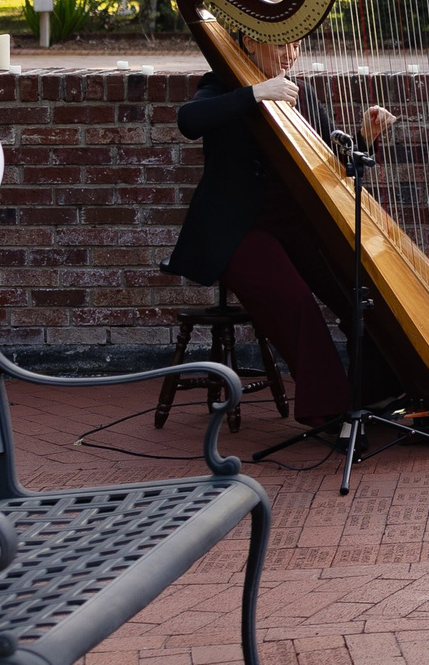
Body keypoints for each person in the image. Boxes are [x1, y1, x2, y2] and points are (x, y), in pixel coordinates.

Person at [164, 31, 395, 425]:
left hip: (296, 224)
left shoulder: (300, 95)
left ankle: (377, 392)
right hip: (239, 231)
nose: (291, 54)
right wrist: (255, 93)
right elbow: (189, 120)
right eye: (281, 43)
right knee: (298, 303)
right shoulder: (222, 84)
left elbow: (336, 169)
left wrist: (363, 139)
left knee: (359, 289)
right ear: (251, 43)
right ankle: (330, 413)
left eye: (297, 45)